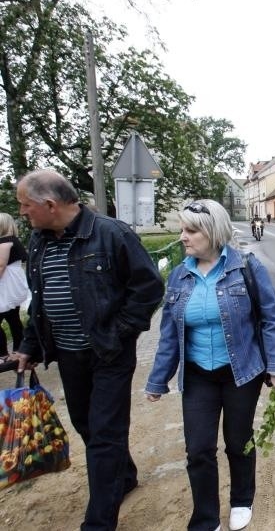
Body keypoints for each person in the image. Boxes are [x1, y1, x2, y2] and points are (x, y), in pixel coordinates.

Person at [9, 169, 164, 530]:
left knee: (105, 436)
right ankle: (123, 477)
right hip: (68, 355)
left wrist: (121, 333)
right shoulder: (38, 241)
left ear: (50, 204)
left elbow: (148, 288)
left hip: (109, 354)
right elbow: (40, 301)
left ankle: (98, 522)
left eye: (25, 205)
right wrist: (30, 345)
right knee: (87, 426)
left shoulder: (111, 234)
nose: (23, 212)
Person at [145, 199, 275, 531]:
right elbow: (168, 333)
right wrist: (157, 380)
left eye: (191, 230)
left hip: (242, 372)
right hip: (198, 376)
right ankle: (206, 518)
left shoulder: (248, 268)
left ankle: (241, 499)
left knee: (238, 441)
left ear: (212, 232)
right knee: (198, 449)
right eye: (182, 229)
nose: (183, 236)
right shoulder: (180, 277)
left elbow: (271, 319)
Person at [0, 212, 28, 359]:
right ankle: (18, 349)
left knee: (11, 318)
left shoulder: (5, 242)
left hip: (6, 286)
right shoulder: (14, 241)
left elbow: (1, 265)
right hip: (13, 285)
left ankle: (3, 353)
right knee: (13, 318)